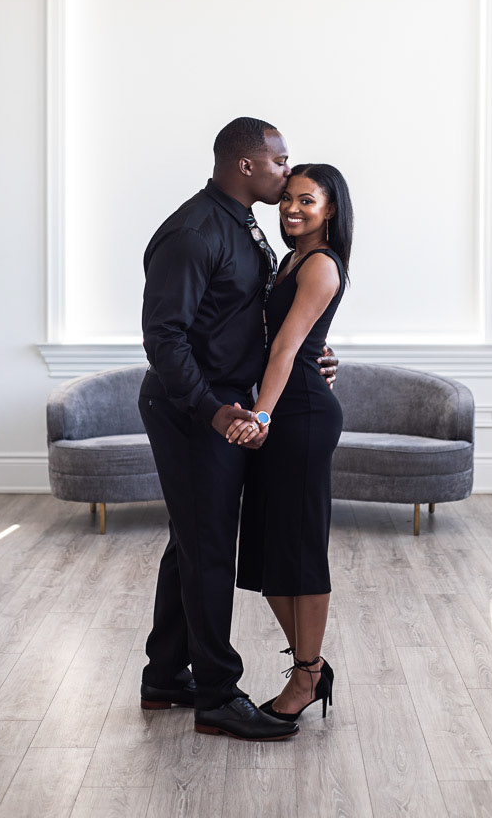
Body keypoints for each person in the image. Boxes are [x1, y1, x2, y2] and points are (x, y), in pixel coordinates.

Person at [138, 117, 338, 741]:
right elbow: (163, 337)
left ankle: (165, 677)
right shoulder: (194, 232)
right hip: (195, 411)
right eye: (280, 162)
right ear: (246, 165)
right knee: (209, 549)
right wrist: (212, 409)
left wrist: (312, 355)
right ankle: (218, 696)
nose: (287, 171)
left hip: (226, 403)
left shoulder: (245, 226)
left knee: (192, 543)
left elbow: (252, 318)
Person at [232, 163, 353, 722]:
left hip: (299, 416)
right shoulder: (289, 261)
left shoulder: (322, 264)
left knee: (299, 549)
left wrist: (261, 413)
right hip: (285, 409)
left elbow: (285, 349)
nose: (292, 209)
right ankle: (311, 665)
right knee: (268, 551)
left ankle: (306, 675)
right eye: (287, 199)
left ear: (330, 210)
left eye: (307, 200)